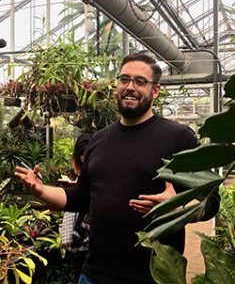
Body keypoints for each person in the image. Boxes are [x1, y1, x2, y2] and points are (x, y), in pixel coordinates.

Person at [15, 52, 220, 284]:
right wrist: (42, 191)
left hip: (153, 277)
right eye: (124, 79)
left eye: (140, 81)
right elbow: (81, 196)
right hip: (94, 274)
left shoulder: (178, 138)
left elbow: (210, 199)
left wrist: (177, 208)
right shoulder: (99, 140)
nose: (130, 87)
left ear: (155, 90)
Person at [61, 133, 91, 284]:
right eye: (82, 157)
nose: (84, 161)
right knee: (77, 271)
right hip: (76, 231)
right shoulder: (72, 173)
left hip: (91, 230)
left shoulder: (99, 171)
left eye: (87, 156)